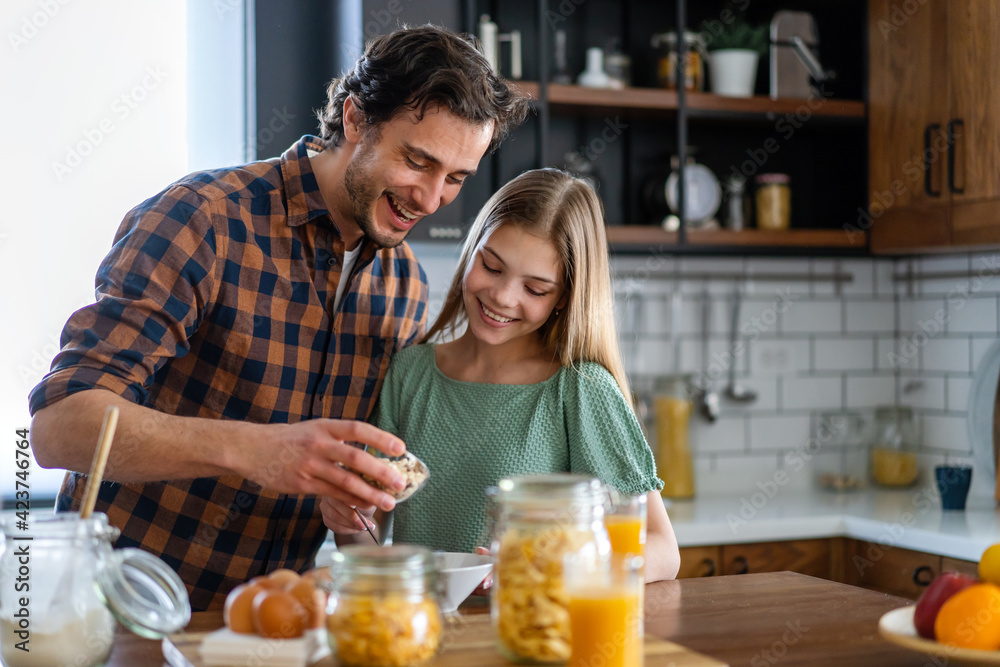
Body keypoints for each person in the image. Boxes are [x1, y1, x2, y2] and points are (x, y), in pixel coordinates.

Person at [27, 25, 529, 610]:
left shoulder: (405, 284)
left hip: (275, 631)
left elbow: (350, 509)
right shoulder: (203, 220)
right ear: (357, 119)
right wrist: (255, 449)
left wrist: (355, 512)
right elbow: (60, 427)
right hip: (121, 616)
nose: (432, 197)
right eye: (418, 162)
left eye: (456, 179)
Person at [322, 168, 681, 582]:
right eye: (492, 267)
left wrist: (549, 570)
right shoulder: (410, 373)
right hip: (421, 634)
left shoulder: (579, 389)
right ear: (472, 249)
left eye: (536, 290)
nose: (503, 297)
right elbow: (375, 543)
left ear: (564, 298)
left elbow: (661, 548)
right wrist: (348, 523)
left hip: (526, 632)